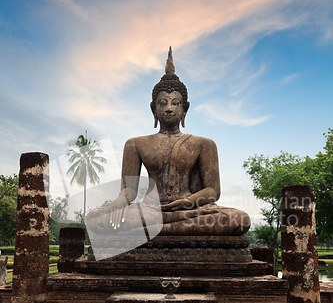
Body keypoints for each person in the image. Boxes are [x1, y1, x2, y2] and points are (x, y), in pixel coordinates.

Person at [86, 48, 251, 237]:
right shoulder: (135, 144)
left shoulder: (204, 144)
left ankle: (154, 231)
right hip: (150, 210)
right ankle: (168, 229)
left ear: (185, 109)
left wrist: (187, 202)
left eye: (175, 103)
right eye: (163, 103)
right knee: (95, 218)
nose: (169, 109)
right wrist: (118, 203)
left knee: (239, 220)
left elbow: (213, 191)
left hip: (188, 209)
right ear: (153, 109)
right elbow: (128, 191)